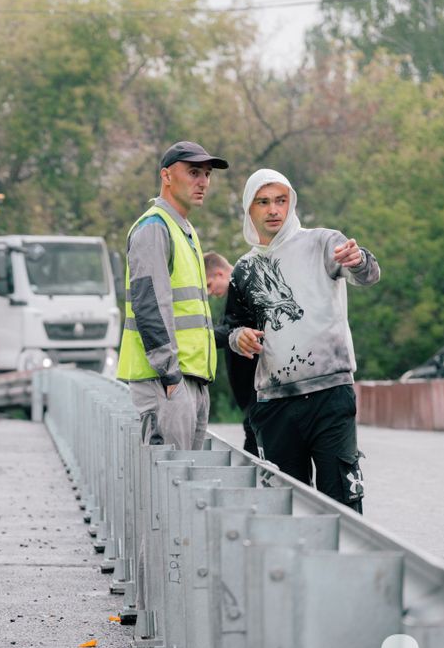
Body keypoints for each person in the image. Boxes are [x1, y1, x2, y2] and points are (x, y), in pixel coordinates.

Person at [224, 169, 380, 512]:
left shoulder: (323, 241)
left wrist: (360, 259)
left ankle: (343, 567)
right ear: (249, 210)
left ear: (291, 202)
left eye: (280, 200)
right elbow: (231, 329)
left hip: (330, 394)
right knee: (286, 509)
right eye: (263, 203)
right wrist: (241, 338)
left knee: (342, 502)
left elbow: (367, 274)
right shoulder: (244, 270)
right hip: (275, 403)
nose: (273, 210)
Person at [116, 141, 229, 450]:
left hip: (189, 378)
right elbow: (149, 305)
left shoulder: (184, 229)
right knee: (169, 484)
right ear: (166, 176)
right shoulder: (154, 227)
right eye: (194, 172)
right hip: (165, 380)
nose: (203, 182)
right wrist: (170, 376)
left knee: (183, 484)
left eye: (207, 174)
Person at [204, 251, 259, 455]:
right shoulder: (237, 290)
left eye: (209, 285)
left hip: (259, 385)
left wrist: (202, 336)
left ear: (219, 274)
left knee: (254, 438)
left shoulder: (244, 285)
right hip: (252, 390)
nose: (209, 293)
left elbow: (236, 328)